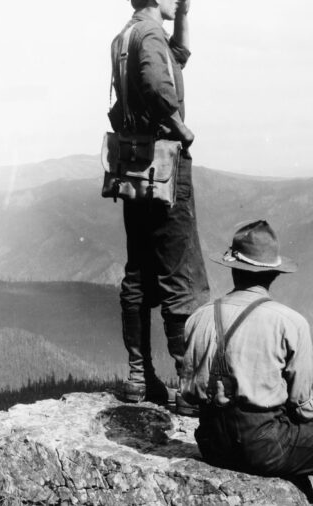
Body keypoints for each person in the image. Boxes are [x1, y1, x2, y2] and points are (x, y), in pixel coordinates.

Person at [180, 220, 313, 505]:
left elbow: (188, 390)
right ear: (273, 274)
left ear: (233, 269)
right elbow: (303, 405)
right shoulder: (289, 322)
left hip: (212, 444)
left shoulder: (199, 317)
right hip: (264, 450)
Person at [108, 0, 210, 413]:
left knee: (139, 268)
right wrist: (181, 129)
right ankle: (189, 388)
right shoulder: (149, 36)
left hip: (134, 167)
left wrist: (184, 13)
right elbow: (155, 84)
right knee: (180, 271)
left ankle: (139, 376)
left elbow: (178, 57)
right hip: (165, 163)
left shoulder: (127, 36)